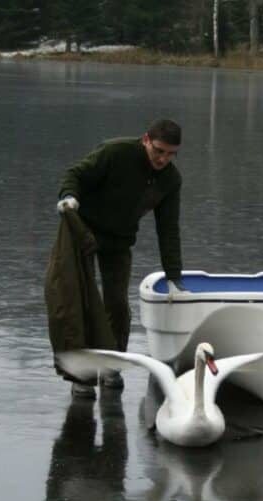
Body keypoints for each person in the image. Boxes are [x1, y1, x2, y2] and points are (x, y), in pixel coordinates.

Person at [56, 119, 187, 398]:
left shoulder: (170, 180)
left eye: (171, 154)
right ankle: (82, 374)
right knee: (83, 303)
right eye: (159, 151)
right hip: (84, 232)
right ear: (146, 140)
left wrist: (174, 276)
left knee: (116, 304)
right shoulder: (115, 152)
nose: (164, 159)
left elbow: (168, 229)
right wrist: (68, 197)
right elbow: (76, 174)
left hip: (119, 241)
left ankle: (112, 365)